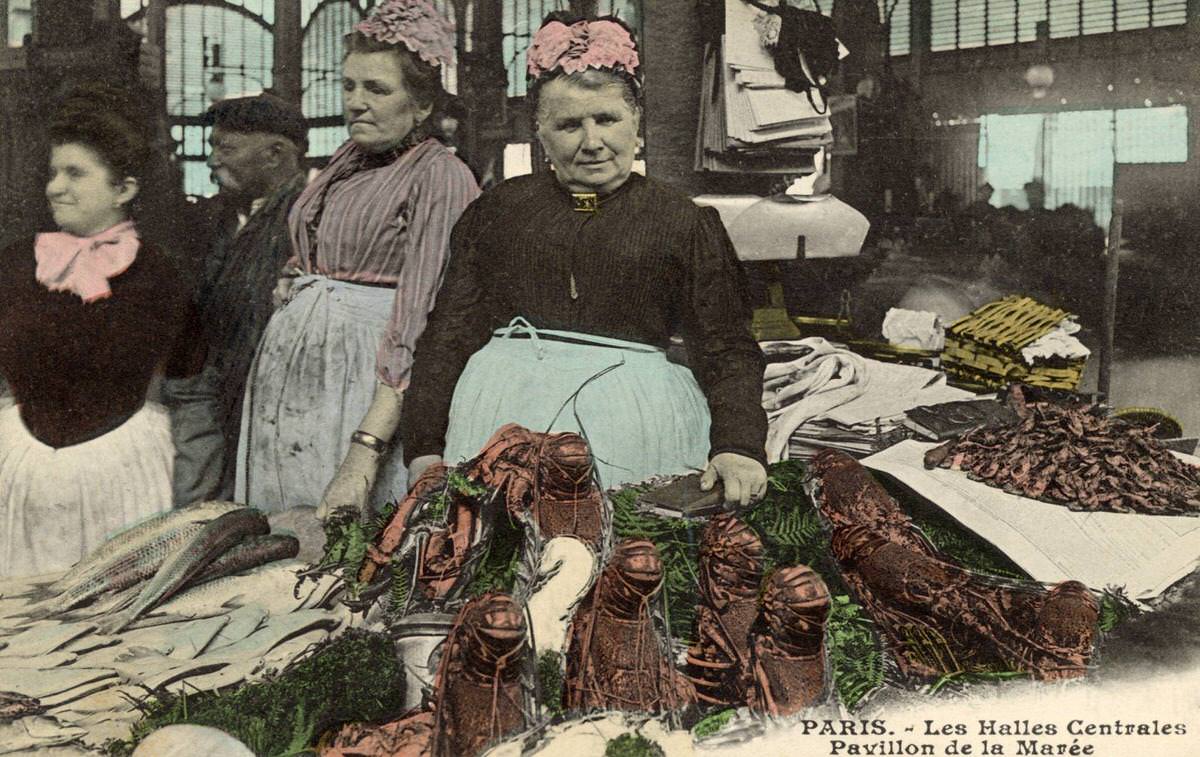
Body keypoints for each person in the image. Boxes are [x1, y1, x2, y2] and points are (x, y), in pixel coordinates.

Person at [400, 14, 769, 504]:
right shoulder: (498, 211)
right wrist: (423, 445)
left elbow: (727, 348)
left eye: (607, 119)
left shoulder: (683, 222)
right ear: (540, 132)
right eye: (569, 125)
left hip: (635, 422)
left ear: (636, 121)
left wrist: (738, 445)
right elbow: (449, 331)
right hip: (498, 418)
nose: (592, 142)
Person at [235, 0, 479, 517]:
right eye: (349, 86)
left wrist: (365, 449)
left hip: (366, 382)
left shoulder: (440, 176)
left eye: (376, 89)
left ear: (422, 106)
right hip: (300, 380)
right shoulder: (348, 159)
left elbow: (421, 321)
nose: (356, 103)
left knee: (345, 541)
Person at [0, 83, 189, 577]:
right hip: (21, 471)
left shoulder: (158, 273)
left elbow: (192, 382)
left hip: (125, 473)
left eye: (75, 174)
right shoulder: (17, 264)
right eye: (53, 172)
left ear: (123, 189)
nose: (54, 187)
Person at [161, 94, 309, 504]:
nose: (212, 161)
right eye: (211, 147)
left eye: (225, 148)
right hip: (211, 402)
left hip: (272, 410)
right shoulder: (211, 217)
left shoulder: (311, 217)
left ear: (275, 153)